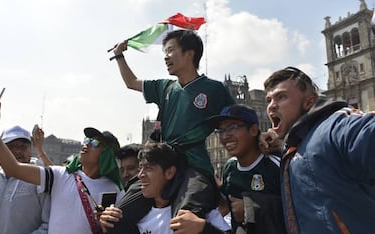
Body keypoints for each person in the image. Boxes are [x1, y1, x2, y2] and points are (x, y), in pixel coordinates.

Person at [111, 29, 236, 232]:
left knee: (185, 221)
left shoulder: (214, 89)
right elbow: (131, 83)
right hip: (162, 163)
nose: (165, 57)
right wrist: (119, 56)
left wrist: (266, 136)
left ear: (190, 53)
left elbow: (237, 118)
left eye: (170, 50)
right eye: (164, 52)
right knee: (115, 218)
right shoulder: (166, 87)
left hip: (195, 165)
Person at [0, 93, 125, 234]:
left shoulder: (115, 191)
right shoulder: (60, 176)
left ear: (107, 154)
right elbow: (14, 169)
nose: (86, 145)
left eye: (94, 142)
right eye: (86, 140)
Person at [264, 66, 375, 233]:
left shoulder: (336, 126)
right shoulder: (293, 147)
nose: (272, 106)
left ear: (309, 102)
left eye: (281, 97)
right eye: (269, 100)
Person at [100, 142, 231, 234]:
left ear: (169, 172)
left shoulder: (195, 214)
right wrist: (108, 224)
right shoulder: (135, 213)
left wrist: (203, 228)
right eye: (140, 168)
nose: (141, 175)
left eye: (149, 168)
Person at [207, 104, 285, 234]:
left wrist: (250, 209)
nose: (225, 136)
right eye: (221, 130)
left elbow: (298, 210)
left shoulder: (277, 165)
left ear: (254, 130)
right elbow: (225, 206)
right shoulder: (230, 168)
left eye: (232, 127)